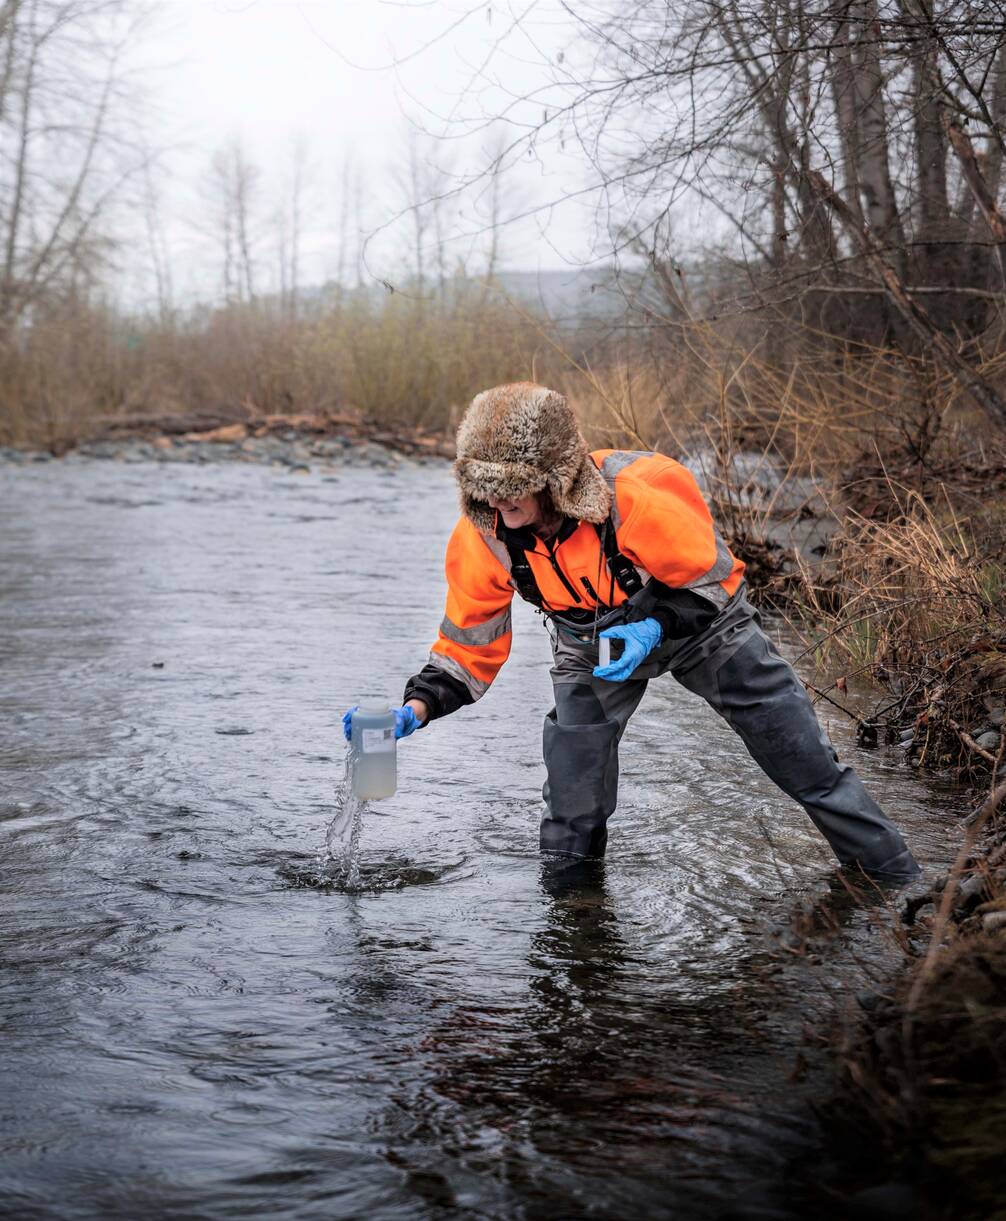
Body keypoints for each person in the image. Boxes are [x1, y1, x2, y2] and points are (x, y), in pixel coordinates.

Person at [343, 382, 920, 883]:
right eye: (486, 487)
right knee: (573, 803)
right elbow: (469, 646)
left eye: (513, 484)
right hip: (587, 648)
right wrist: (415, 708)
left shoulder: (639, 495)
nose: (497, 500)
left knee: (804, 764)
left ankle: (898, 883)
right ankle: (577, 930)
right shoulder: (483, 536)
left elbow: (712, 584)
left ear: (556, 478)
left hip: (705, 631)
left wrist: (653, 627)